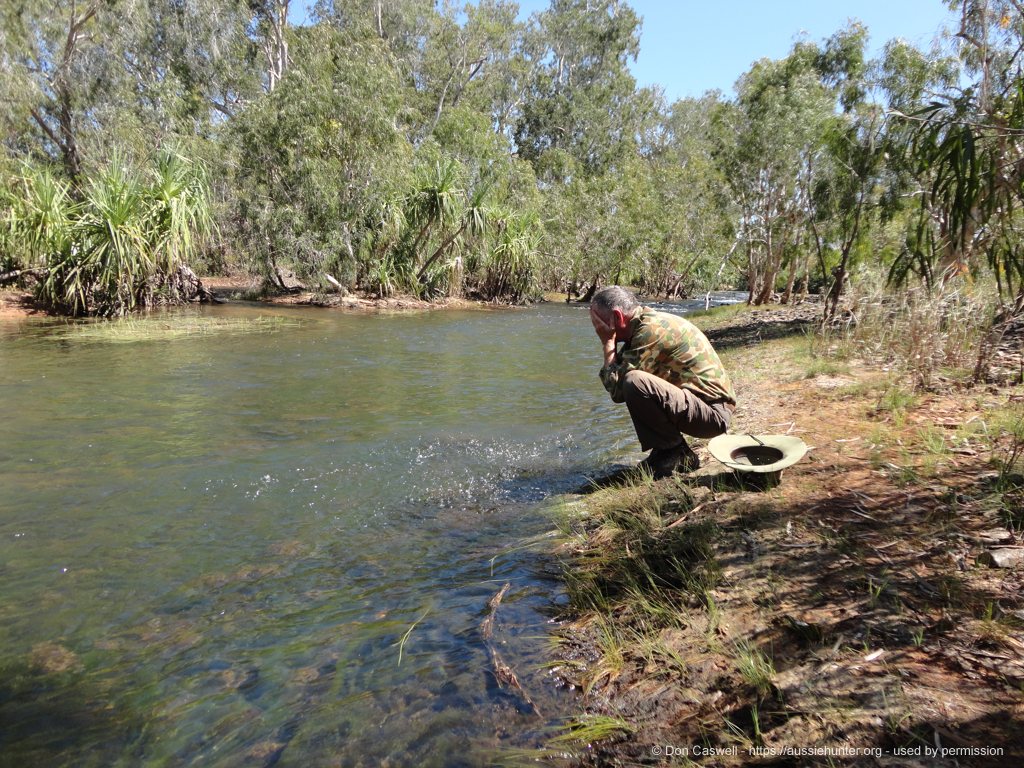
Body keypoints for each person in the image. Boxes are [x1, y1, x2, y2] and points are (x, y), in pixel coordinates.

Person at [588, 286, 736, 478]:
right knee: (634, 380)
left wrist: (607, 342)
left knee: (635, 382)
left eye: (597, 322)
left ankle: (673, 452)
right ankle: (669, 449)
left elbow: (617, 391)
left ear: (616, 317)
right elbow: (617, 379)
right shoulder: (643, 325)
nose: (596, 328)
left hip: (713, 416)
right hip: (705, 408)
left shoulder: (650, 331)